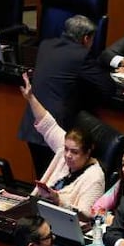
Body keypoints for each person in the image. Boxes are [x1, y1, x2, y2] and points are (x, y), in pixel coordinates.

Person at [17, 15, 114, 177]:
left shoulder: (46, 45)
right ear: (86, 38)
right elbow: (108, 87)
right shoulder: (80, 55)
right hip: (55, 128)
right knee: (57, 181)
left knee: (44, 178)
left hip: (33, 125)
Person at [19, 71, 105, 220]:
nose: (67, 155)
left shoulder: (95, 177)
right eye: (66, 149)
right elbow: (47, 124)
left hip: (60, 224)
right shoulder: (63, 150)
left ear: (88, 152)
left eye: (74, 152)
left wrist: (58, 200)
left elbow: (85, 216)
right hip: (37, 213)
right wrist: (31, 98)